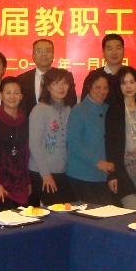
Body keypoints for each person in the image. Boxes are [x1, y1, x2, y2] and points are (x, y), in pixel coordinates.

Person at [28, 68, 77, 206]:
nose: (61, 87)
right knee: (57, 210)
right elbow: (34, 145)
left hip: (62, 172)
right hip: (42, 172)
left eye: (64, 83)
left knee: (70, 208)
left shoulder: (68, 109)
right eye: (56, 83)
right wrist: (45, 174)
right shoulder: (39, 110)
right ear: (48, 87)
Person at [67, 69, 115, 205]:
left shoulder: (109, 109)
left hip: (104, 176)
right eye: (98, 87)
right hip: (81, 175)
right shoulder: (78, 110)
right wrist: (97, 162)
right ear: (89, 87)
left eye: (105, 88)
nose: (102, 91)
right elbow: (73, 143)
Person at [0, 76, 30, 211]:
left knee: (25, 218)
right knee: (9, 217)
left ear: (21, 96)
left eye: (16, 93)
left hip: (20, 182)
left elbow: (26, 154)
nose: (12, 97)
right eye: (8, 92)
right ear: (1, 95)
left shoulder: (25, 120)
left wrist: (28, 181)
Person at [105, 66, 136, 212]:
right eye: (124, 83)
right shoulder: (114, 109)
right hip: (122, 171)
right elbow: (110, 143)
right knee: (135, 212)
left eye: (132, 82)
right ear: (119, 86)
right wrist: (112, 174)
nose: (128, 87)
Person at [18, 38, 77, 118]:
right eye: (39, 51)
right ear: (33, 56)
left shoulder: (65, 76)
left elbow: (71, 102)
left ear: (53, 55)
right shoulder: (22, 79)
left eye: (47, 51)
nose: (44, 54)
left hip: (60, 121)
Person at [81, 34, 124, 105]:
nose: (114, 52)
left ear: (123, 51)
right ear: (103, 52)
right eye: (109, 49)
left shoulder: (131, 76)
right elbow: (84, 106)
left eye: (118, 48)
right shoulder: (94, 76)